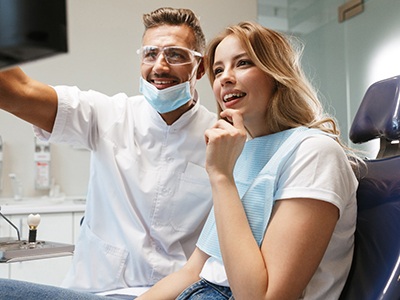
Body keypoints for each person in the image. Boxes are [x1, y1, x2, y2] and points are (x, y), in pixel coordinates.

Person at [135, 21, 362, 300]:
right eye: (218, 70)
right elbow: (194, 270)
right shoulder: (243, 151)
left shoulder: (314, 152)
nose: (225, 78)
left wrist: (221, 177)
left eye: (242, 63)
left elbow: (261, 297)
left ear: (276, 74)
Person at [0, 7, 216, 294]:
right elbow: (16, 91)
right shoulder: (107, 115)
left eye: (175, 55)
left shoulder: (219, 139)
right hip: (96, 288)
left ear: (200, 68)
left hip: (174, 294)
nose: (160, 66)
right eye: (150, 54)